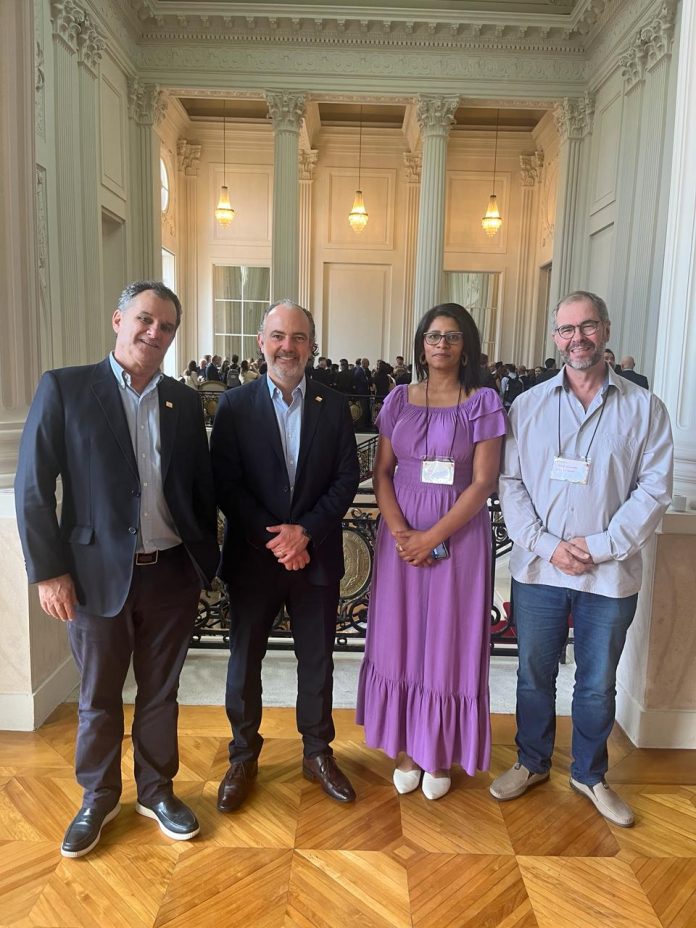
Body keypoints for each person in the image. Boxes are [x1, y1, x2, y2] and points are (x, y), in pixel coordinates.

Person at [14, 281, 219, 858]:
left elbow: (199, 490)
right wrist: (49, 572)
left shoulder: (182, 402)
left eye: (167, 326)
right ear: (118, 320)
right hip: (92, 576)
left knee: (161, 692)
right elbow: (33, 487)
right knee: (98, 695)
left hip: (170, 575)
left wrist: (202, 565)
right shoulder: (66, 388)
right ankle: (97, 797)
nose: (155, 333)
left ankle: (156, 791)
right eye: (145, 320)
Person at [491, 290, 673, 827]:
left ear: (606, 330)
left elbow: (653, 490)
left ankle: (590, 774)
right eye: (567, 329)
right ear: (555, 338)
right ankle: (531, 762)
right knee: (534, 674)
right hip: (540, 569)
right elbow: (511, 483)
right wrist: (549, 545)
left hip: (609, 574)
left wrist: (597, 546)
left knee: (597, 682)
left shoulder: (645, 408)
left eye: (588, 326)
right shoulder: (527, 406)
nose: (578, 338)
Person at [211, 299, 361, 811]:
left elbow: (346, 478)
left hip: (316, 558)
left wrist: (306, 534)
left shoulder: (333, 405)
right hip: (254, 559)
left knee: (317, 662)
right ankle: (242, 756)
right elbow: (226, 484)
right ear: (261, 342)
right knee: (243, 662)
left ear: (312, 346)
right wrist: (277, 540)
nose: (287, 347)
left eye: (298, 337)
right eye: (278, 336)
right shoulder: (234, 406)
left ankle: (317, 753)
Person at [356, 303, 506, 800]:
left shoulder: (482, 402)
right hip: (401, 538)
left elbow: (483, 482)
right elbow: (381, 472)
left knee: (448, 640)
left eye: (453, 336)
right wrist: (404, 534)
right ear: (421, 345)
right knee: (400, 638)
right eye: (434, 335)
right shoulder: (398, 399)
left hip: (458, 538)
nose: (442, 344)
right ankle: (405, 748)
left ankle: (437, 750)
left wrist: (432, 537)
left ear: (467, 346)